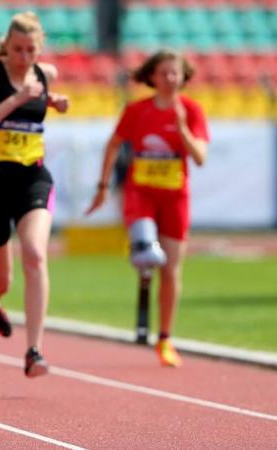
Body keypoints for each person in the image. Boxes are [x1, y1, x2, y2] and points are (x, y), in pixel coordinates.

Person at [86, 49, 209, 367]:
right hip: (141, 195)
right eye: (164, 72)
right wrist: (102, 186)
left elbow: (200, 157)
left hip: (175, 198)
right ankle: (142, 253)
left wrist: (182, 128)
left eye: (175, 73)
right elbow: (113, 144)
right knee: (146, 253)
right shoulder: (137, 110)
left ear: (183, 77)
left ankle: (165, 339)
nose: (170, 79)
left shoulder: (192, 111)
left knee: (170, 269)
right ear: (152, 76)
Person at [0, 12, 68, 378]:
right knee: (1, 282)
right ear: (6, 47)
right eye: (18, 50)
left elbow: (37, 106)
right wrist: (15, 100)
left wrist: (53, 101)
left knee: (36, 254)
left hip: (32, 180)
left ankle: (34, 350)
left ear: (40, 50)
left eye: (31, 51)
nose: (25, 57)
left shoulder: (47, 74)